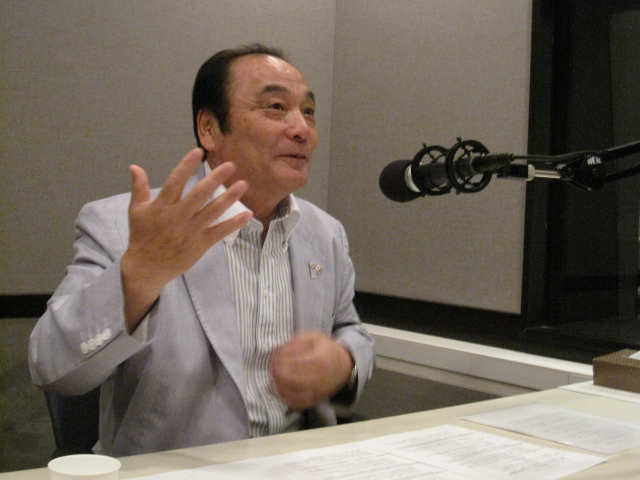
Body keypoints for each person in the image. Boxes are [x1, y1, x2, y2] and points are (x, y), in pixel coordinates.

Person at [28, 44, 374, 456]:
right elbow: (51, 366)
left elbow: (350, 330)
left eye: (309, 111)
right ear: (209, 128)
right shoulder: (126, 226)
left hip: (298, 462)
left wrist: (343, 362)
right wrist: (139, 276)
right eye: (276, 107)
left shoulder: (326, 233)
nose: (302, 129)